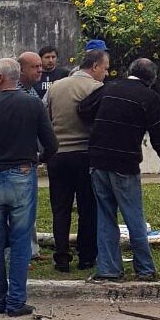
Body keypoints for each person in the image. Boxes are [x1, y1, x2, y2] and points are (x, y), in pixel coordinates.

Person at [0, 58, 58, 316]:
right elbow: (51, 144)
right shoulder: (33, 104)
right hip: (22, 175)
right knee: (20, 240)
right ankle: (16, 301)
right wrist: (37, 159)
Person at [78, 58, 160, 282]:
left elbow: (83, 109)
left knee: (105, 215)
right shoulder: (149, 97)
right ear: (151, 79)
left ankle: (109, 269)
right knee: (133, 216)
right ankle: (145, 268)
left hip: (98, 158)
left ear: (129, 71)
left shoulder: (109, 87)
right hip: (124, 162)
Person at [45, 49, 107, 272]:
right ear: (95, 67)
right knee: (87, 207)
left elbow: (46, 117)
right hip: (84, 154)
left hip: (58, 155)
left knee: (60, 208)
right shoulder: (96, 88)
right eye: (105, 69)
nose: (106, 74)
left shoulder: (55, 87)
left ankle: (61, 257)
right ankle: (86, 256)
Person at [16, 51, 46, 261]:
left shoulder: (32, 91)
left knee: (30, 206)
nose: (40, 70)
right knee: (20, 207)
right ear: (21, 70)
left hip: (32, 157)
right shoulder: (18, 95)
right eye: (35, 67)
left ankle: (32, 249)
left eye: (40, 66)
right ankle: (22, 251)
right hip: (20, 159)